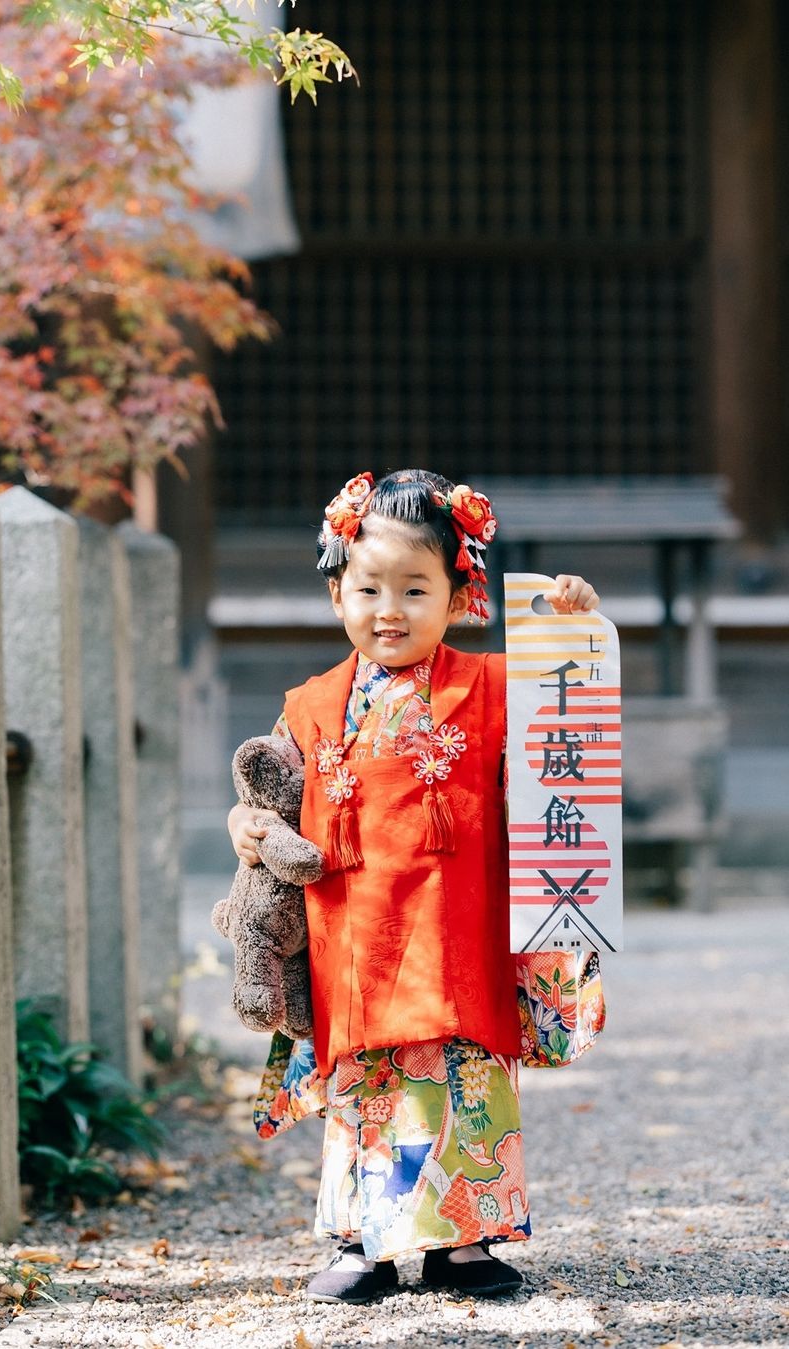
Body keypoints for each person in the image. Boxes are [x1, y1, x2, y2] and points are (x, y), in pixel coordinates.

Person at [227, 468, 602, 1305]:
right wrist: (242, 826)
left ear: (460, 596)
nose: (388, 609)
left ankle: (462, 1241)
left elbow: (565, 736)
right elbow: (267, 798)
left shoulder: (493, 688)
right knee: (363, 1083)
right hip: (355, 935)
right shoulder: (312, 705)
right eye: (368, 588)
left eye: (415, 589)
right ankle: (361, 1240)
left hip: (454, 927)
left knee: (462, 1072)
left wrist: (570, 632)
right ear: (337, 592)